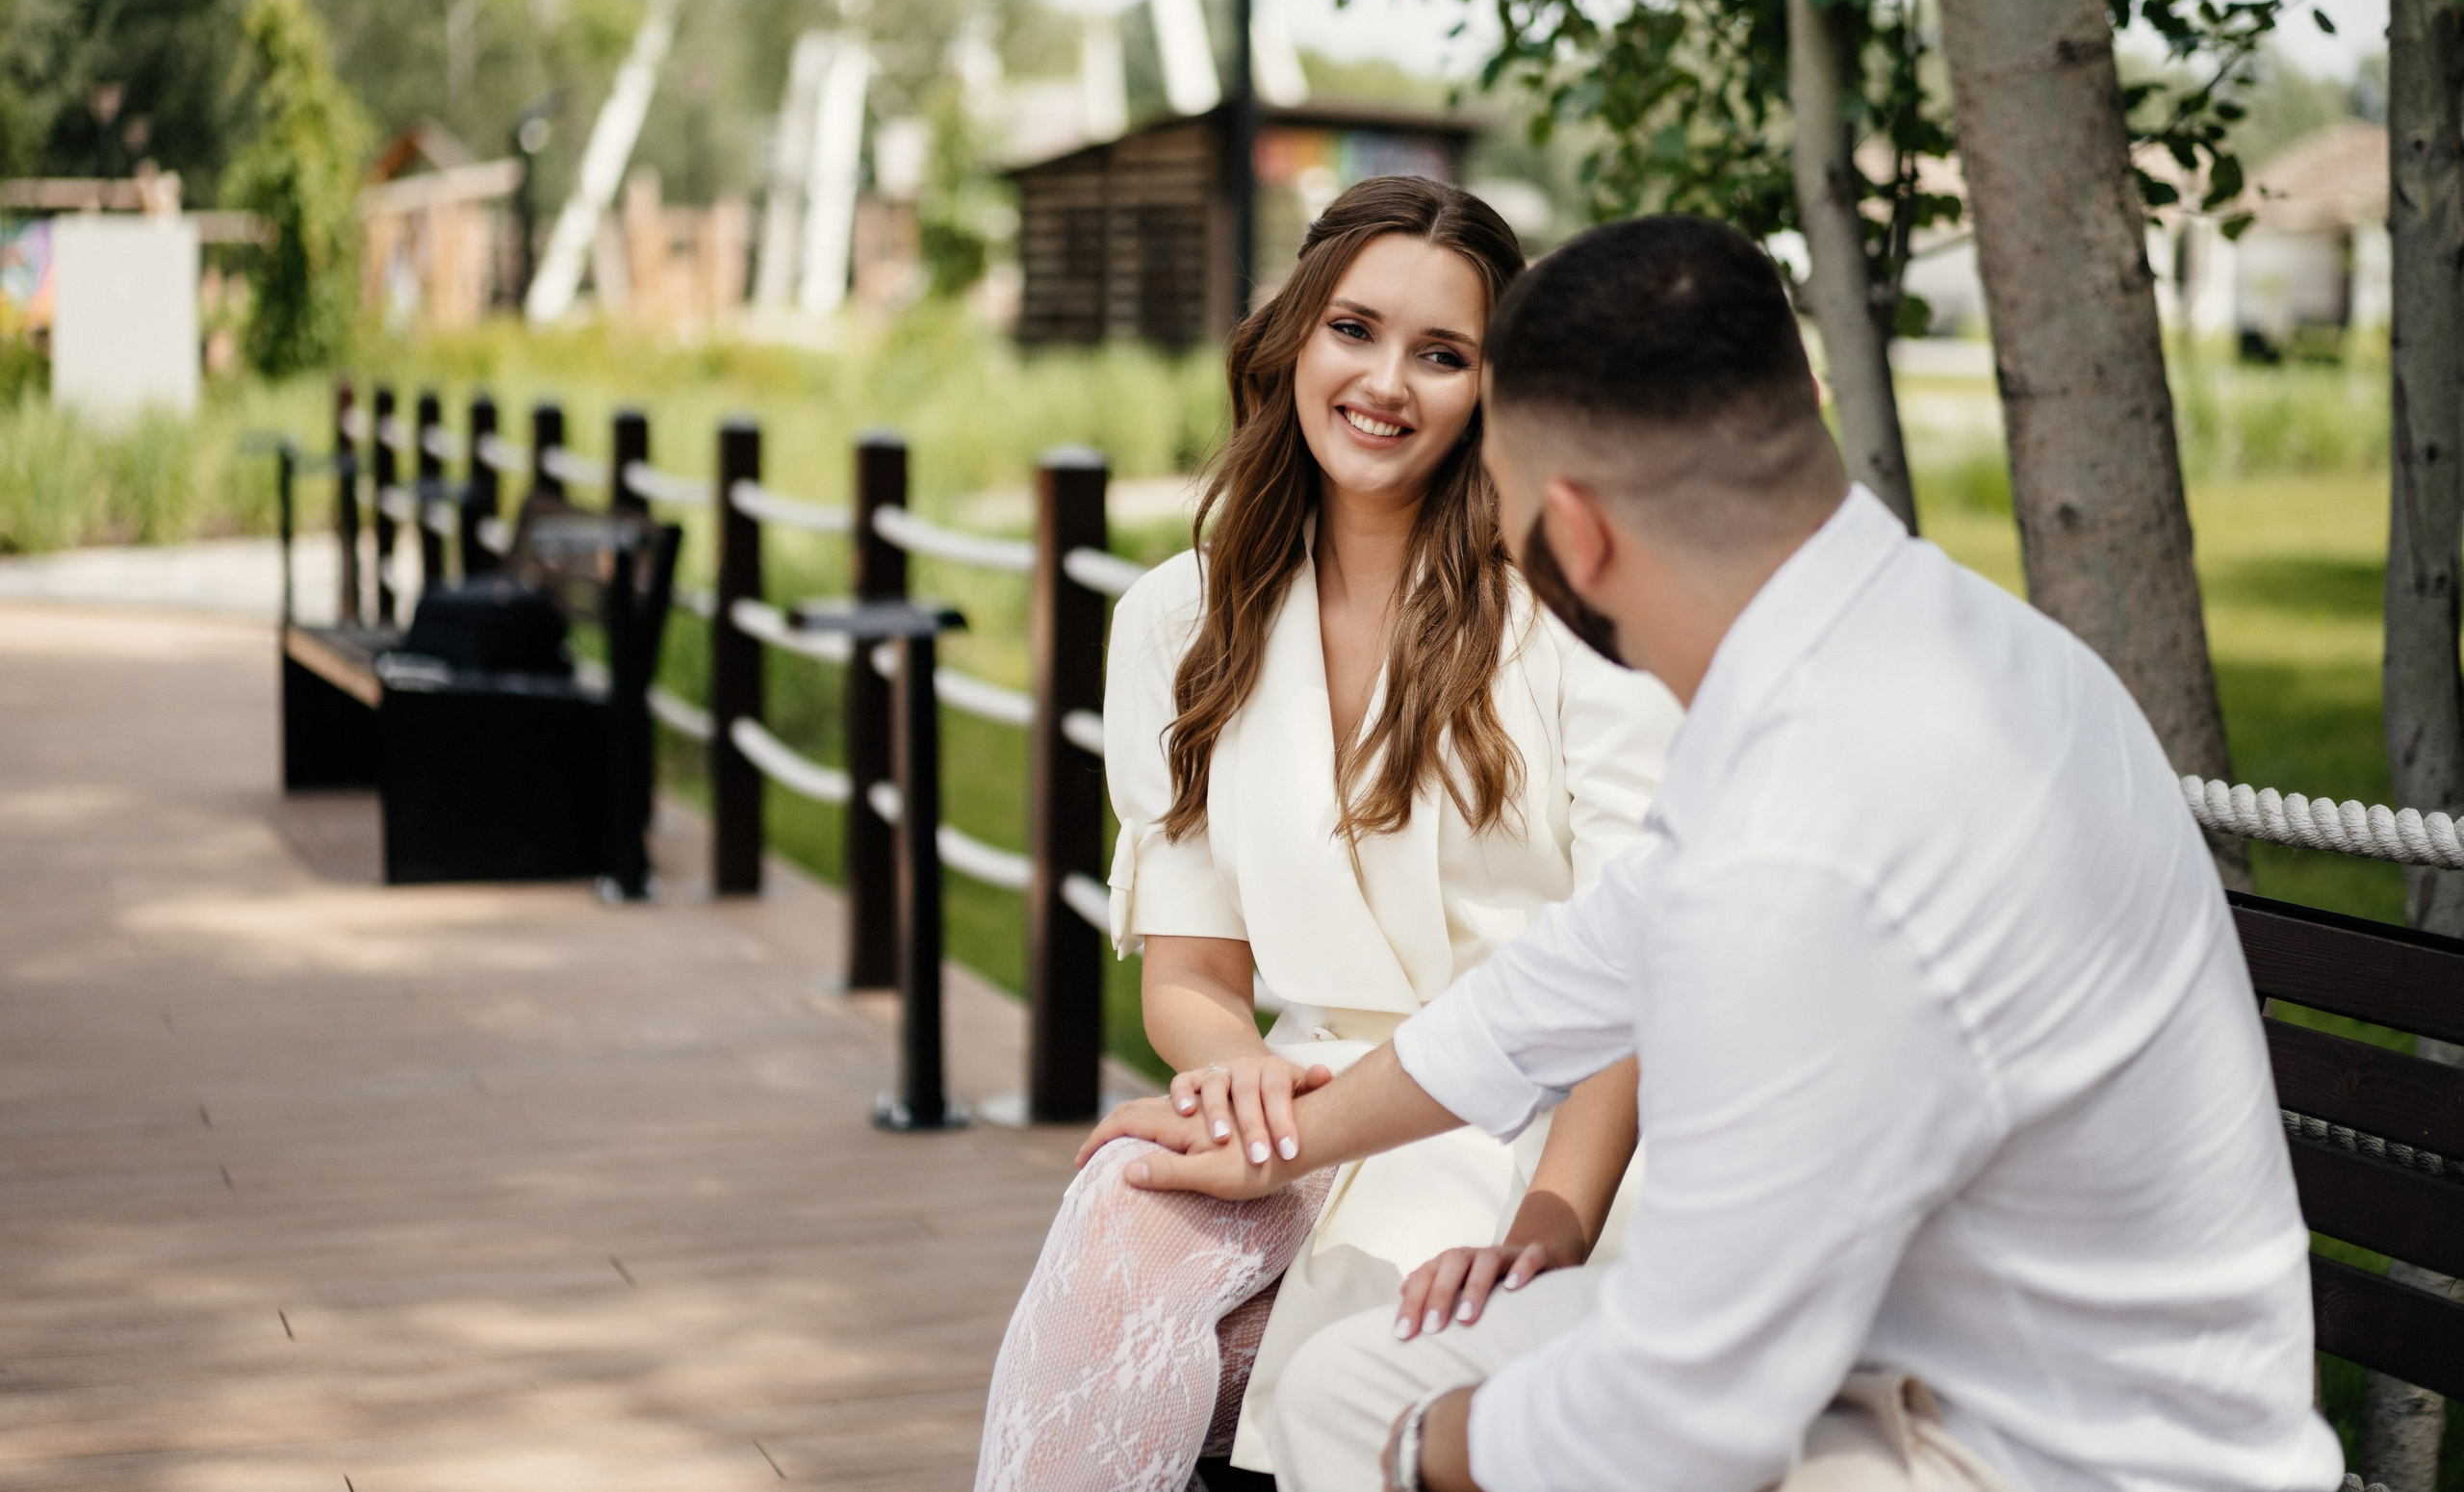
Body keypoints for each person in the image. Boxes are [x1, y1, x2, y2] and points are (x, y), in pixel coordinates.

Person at [1086, 215, 2343, 1492]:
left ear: (1570, 539)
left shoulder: (1806, 841)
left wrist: (1422, 1457)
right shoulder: (1937, 645)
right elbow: (1583, 968)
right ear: (1799, 399)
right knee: (1350, 1386)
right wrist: (1291, 1136)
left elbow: (1697, 1404)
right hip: (1948, 1341)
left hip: (2030, 1442)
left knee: (1378, 1419)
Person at [973, 178, 1681, 1492]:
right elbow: (1189, 973)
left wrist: (1557, 1220)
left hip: (1543, 1116)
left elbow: (1639, 977)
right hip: (1311, 1095)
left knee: (1345, 1347)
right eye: (1355, 329)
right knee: (1115, 1228)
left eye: (1443, 354)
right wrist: (1232, 1073)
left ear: (1493, 387)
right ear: (1294, 334)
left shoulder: (1577, 610)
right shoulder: (1174, 621)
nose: (1387, 383)